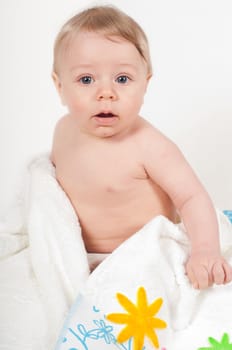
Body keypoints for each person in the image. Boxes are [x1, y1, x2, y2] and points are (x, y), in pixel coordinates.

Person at [50, 5, 232, 289]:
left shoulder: (149, 146)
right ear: (59, 86)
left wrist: (205, 250)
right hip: (79, 259)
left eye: (122, 79)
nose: (106, 93)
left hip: (145, 256)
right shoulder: (63, 131)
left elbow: (192, 198)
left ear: (145, 84)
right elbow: (53, 192)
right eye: (86, 80)